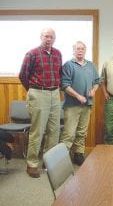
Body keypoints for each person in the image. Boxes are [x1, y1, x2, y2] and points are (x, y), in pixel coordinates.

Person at [19, 28, 62, 178]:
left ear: (54, 38)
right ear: (41, 37)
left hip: (55, 93)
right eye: (46, 36)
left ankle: (48, 161)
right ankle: (32, 164)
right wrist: (33, 91)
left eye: (51, 37)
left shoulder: (57, 54)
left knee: (54, 130)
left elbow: (59, 73)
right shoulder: (32, 54)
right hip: (38, 93)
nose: (48, 39)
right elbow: (23, 75)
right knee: (37, 131)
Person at [60, 41, 99, 165]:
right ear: (74, 50)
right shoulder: (68, 65)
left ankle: (78, 154)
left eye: (82, 48)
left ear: (85, 50)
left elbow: (97, 82)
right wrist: (77, 96)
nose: (80, 50)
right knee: (69, 133)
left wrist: (93, 90)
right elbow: (64, 85)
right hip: (72, 105)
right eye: (78, 48)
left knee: (82, 132)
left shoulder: (91, 66)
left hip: (86, 105)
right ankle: (61, 159)